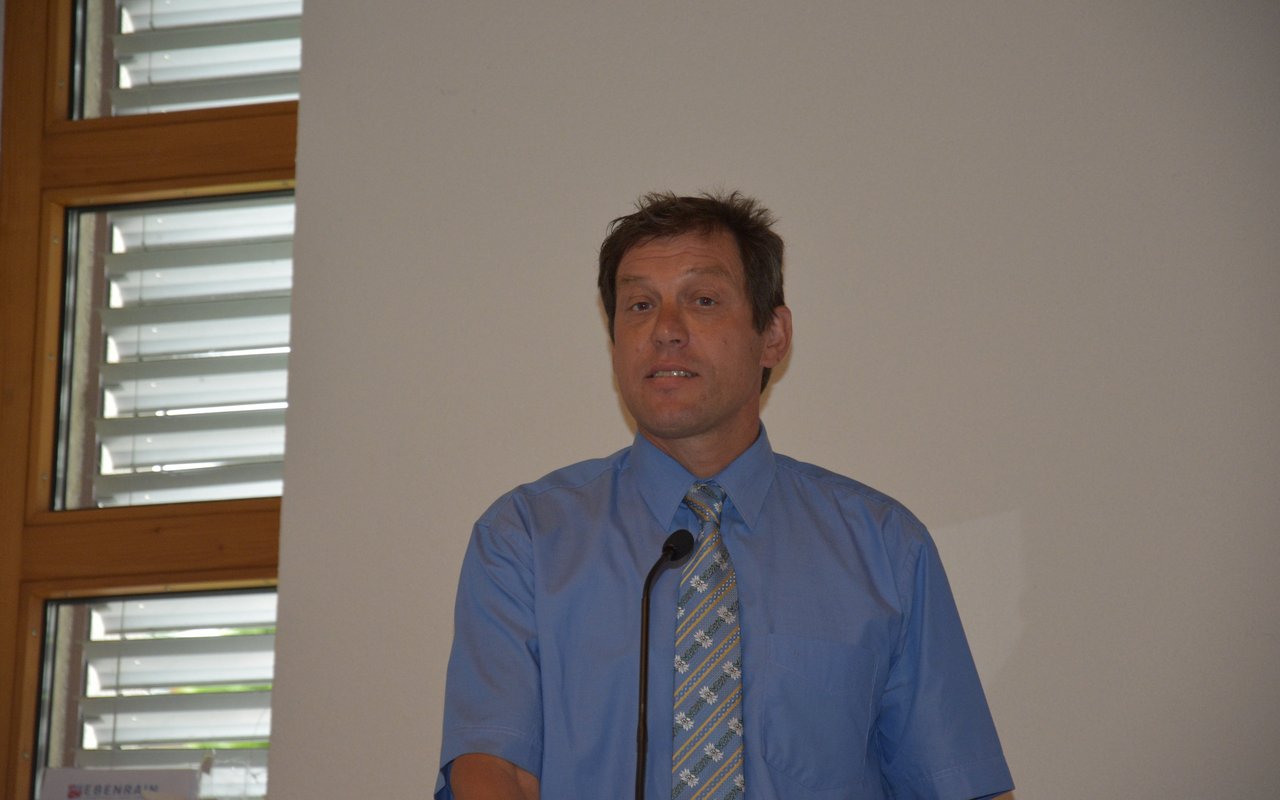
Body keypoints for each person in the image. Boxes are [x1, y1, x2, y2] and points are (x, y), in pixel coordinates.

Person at [436, 191, 1013, 799]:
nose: (665, 331)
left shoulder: (884, 546)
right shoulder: (526, 538)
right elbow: (492, 770)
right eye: (639, 305)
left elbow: (957, 784)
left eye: (703, 300)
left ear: (773, 335)